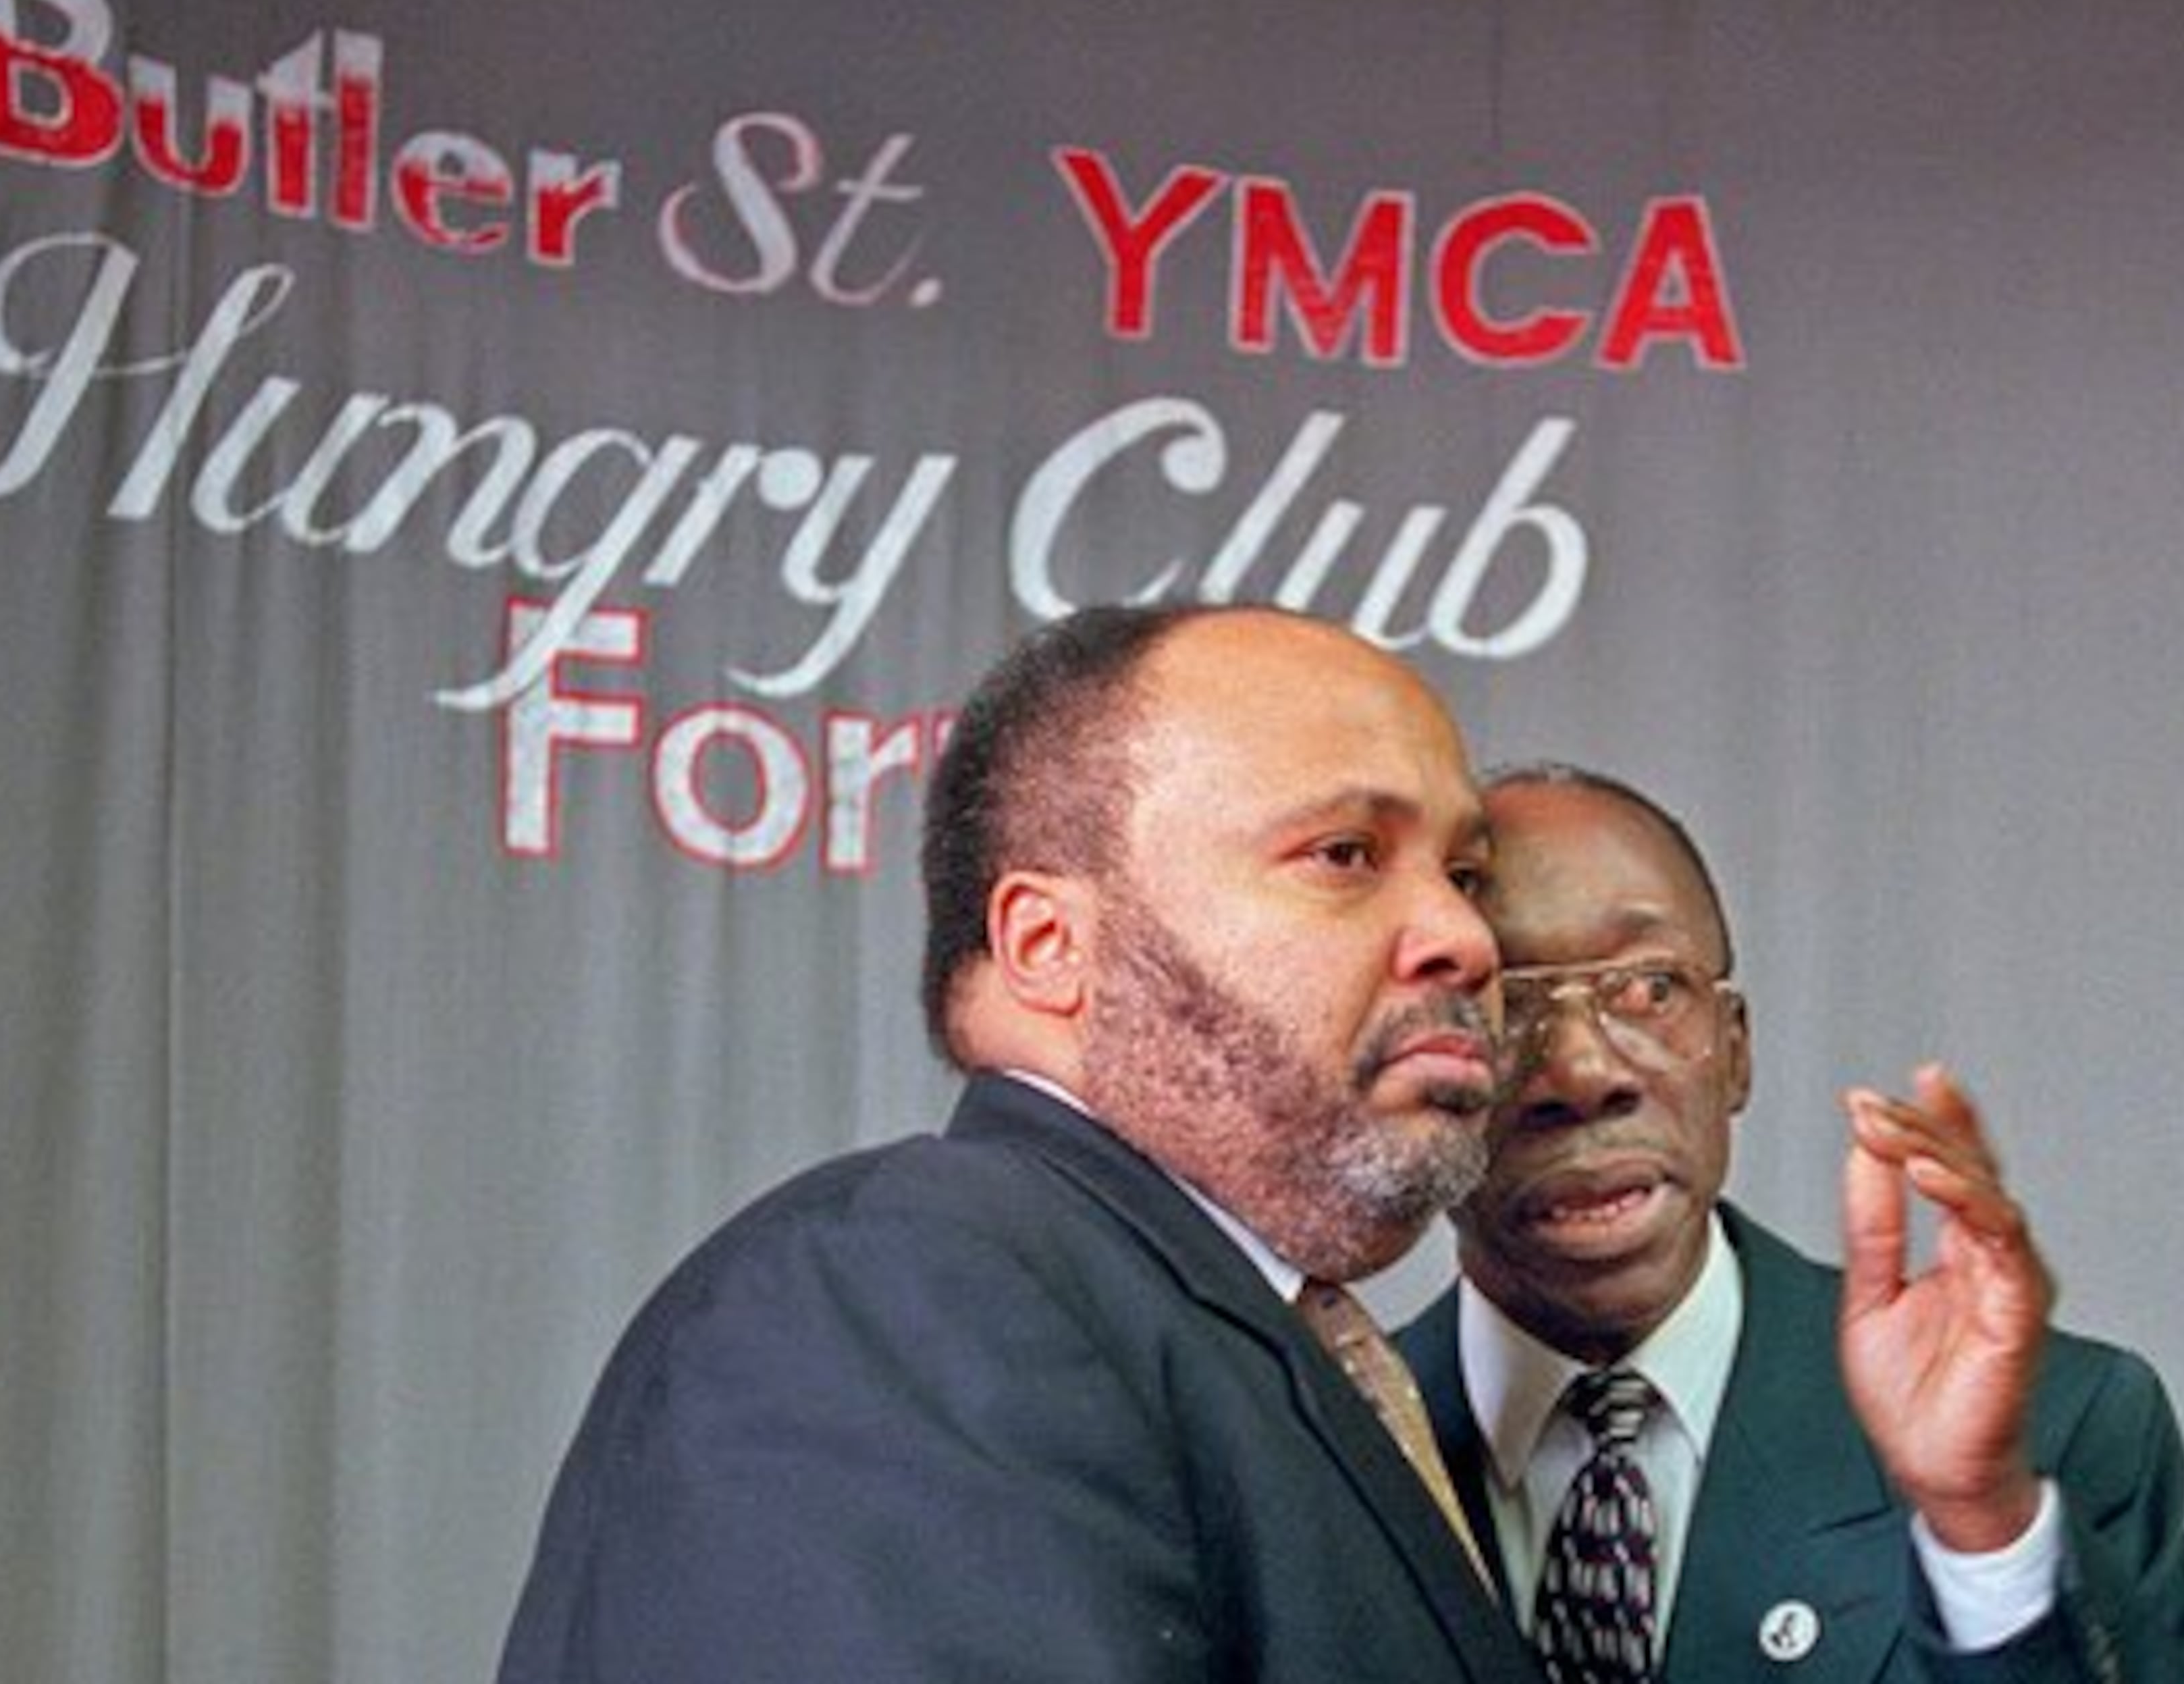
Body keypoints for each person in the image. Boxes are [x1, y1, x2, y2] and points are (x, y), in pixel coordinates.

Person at [495, 603, 1541, 1683]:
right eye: (1344, 854)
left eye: (1466, 876)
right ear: (1048, 945)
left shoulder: (1222, 1328)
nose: (1465, 938)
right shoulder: (903, 1287)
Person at [1400, 762, 2184, 1682]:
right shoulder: (1311, 1452)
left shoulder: (2055, 1428)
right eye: (1504, 1005)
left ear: (1737, 1052)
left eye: (1648, 989)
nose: (1583, 1073)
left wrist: (1980, 1530)